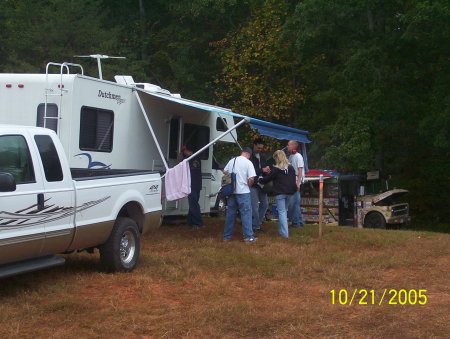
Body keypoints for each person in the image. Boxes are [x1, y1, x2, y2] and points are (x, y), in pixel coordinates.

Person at [259, 150, 297, 238]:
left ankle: (285, 234)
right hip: (290, 192)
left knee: (282, 212)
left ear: (277, 158)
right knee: (284, 211)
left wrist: (260, 179)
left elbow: (267, 179)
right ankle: (281, 230)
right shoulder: (291, 168)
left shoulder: (276, 169)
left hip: (280, 192)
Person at [222, 147, 257, 242]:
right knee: (246, 214)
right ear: (248, 155)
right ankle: (248, 236)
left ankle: (226, 236)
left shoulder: (232, 160)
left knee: (230, 214)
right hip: (243, 192)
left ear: (242, 152)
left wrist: (232, 177)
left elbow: (224, 171)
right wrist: (248, 185)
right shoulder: (248, 163)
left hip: (232, 191)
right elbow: (251, 179)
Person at [178, 144, 203, 227]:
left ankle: (198, 223)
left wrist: (179, 155)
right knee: (193, 203)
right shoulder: (197, 158)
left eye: (184, 151)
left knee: (193, 205)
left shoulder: (187, 160)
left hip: (191, 185)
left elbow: (179, 165)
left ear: (189, 151)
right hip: (197, 185)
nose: (184, 152)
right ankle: (190, 222)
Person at [249, 138, 270, 232]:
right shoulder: (250, 156)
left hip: (262, 184)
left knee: (265, 204)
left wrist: (268, 170)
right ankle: (255, 226)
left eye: (261, 148)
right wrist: (262, 170)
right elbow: (250, 171)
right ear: (254, 145)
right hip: (253, 184)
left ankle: (257, 222)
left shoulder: (263, 156)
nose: (260, 150)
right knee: (254, 206)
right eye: (258, 148)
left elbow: (264, 168)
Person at [286, 140, 305, 227]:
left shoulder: (298, 156)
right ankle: (299, 221)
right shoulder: (290, 157)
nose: (287, 146)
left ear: (294, 146)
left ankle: (296, 222)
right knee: (295, 203)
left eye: (289, 145)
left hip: (296, 180)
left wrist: (298, 183)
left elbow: (300, 170)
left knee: (294, 203)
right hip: (292, 180)